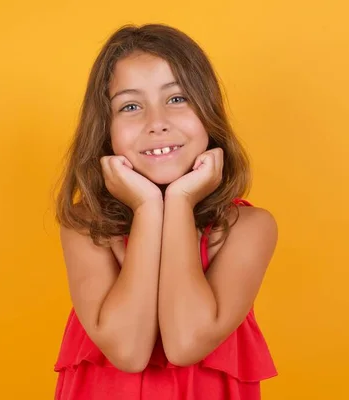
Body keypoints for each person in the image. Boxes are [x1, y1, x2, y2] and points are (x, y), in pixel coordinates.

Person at [53, 23, 278, 400]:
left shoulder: (249, 228)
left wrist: (179, 201)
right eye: (130, 106)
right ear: (105, 129)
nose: (156, 122)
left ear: (209, 113)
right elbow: (128, 350)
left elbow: (185, 343)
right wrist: (146, 208)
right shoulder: (85, 227)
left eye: (177, 99)